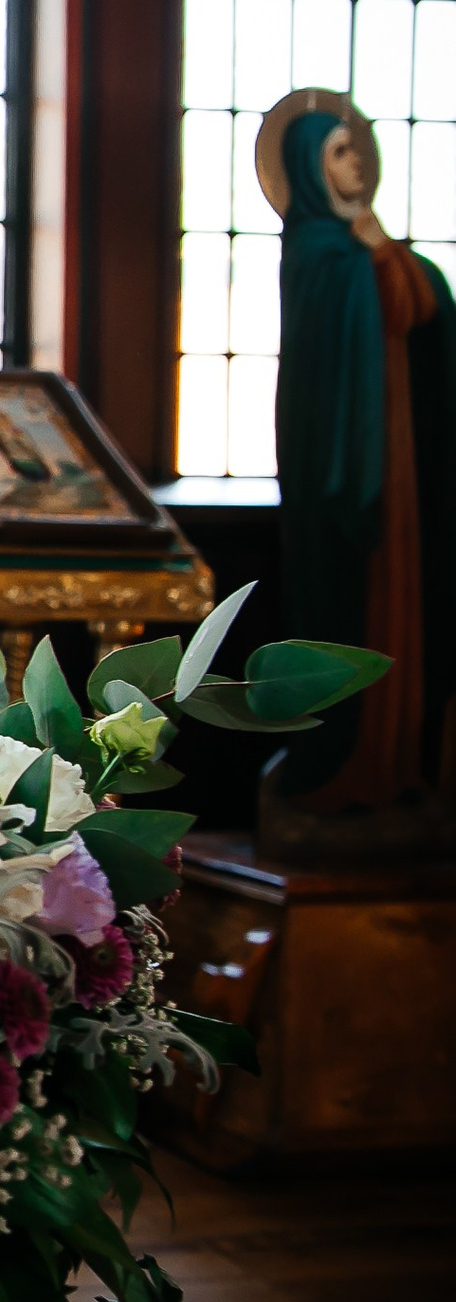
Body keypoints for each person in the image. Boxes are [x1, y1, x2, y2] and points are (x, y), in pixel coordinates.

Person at [263, 90, 456, 830]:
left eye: (358, 151)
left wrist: (386, 252)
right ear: (311, 169)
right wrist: (379, 257)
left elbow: (423, 306)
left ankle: (396, 764)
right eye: (340, 153)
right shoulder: (317, 253)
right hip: (343, 472)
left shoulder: (367, 248)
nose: (357, 166)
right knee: (343, 612)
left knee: (404, 611)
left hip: (400, 464)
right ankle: (339, 767)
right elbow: (387, 305)